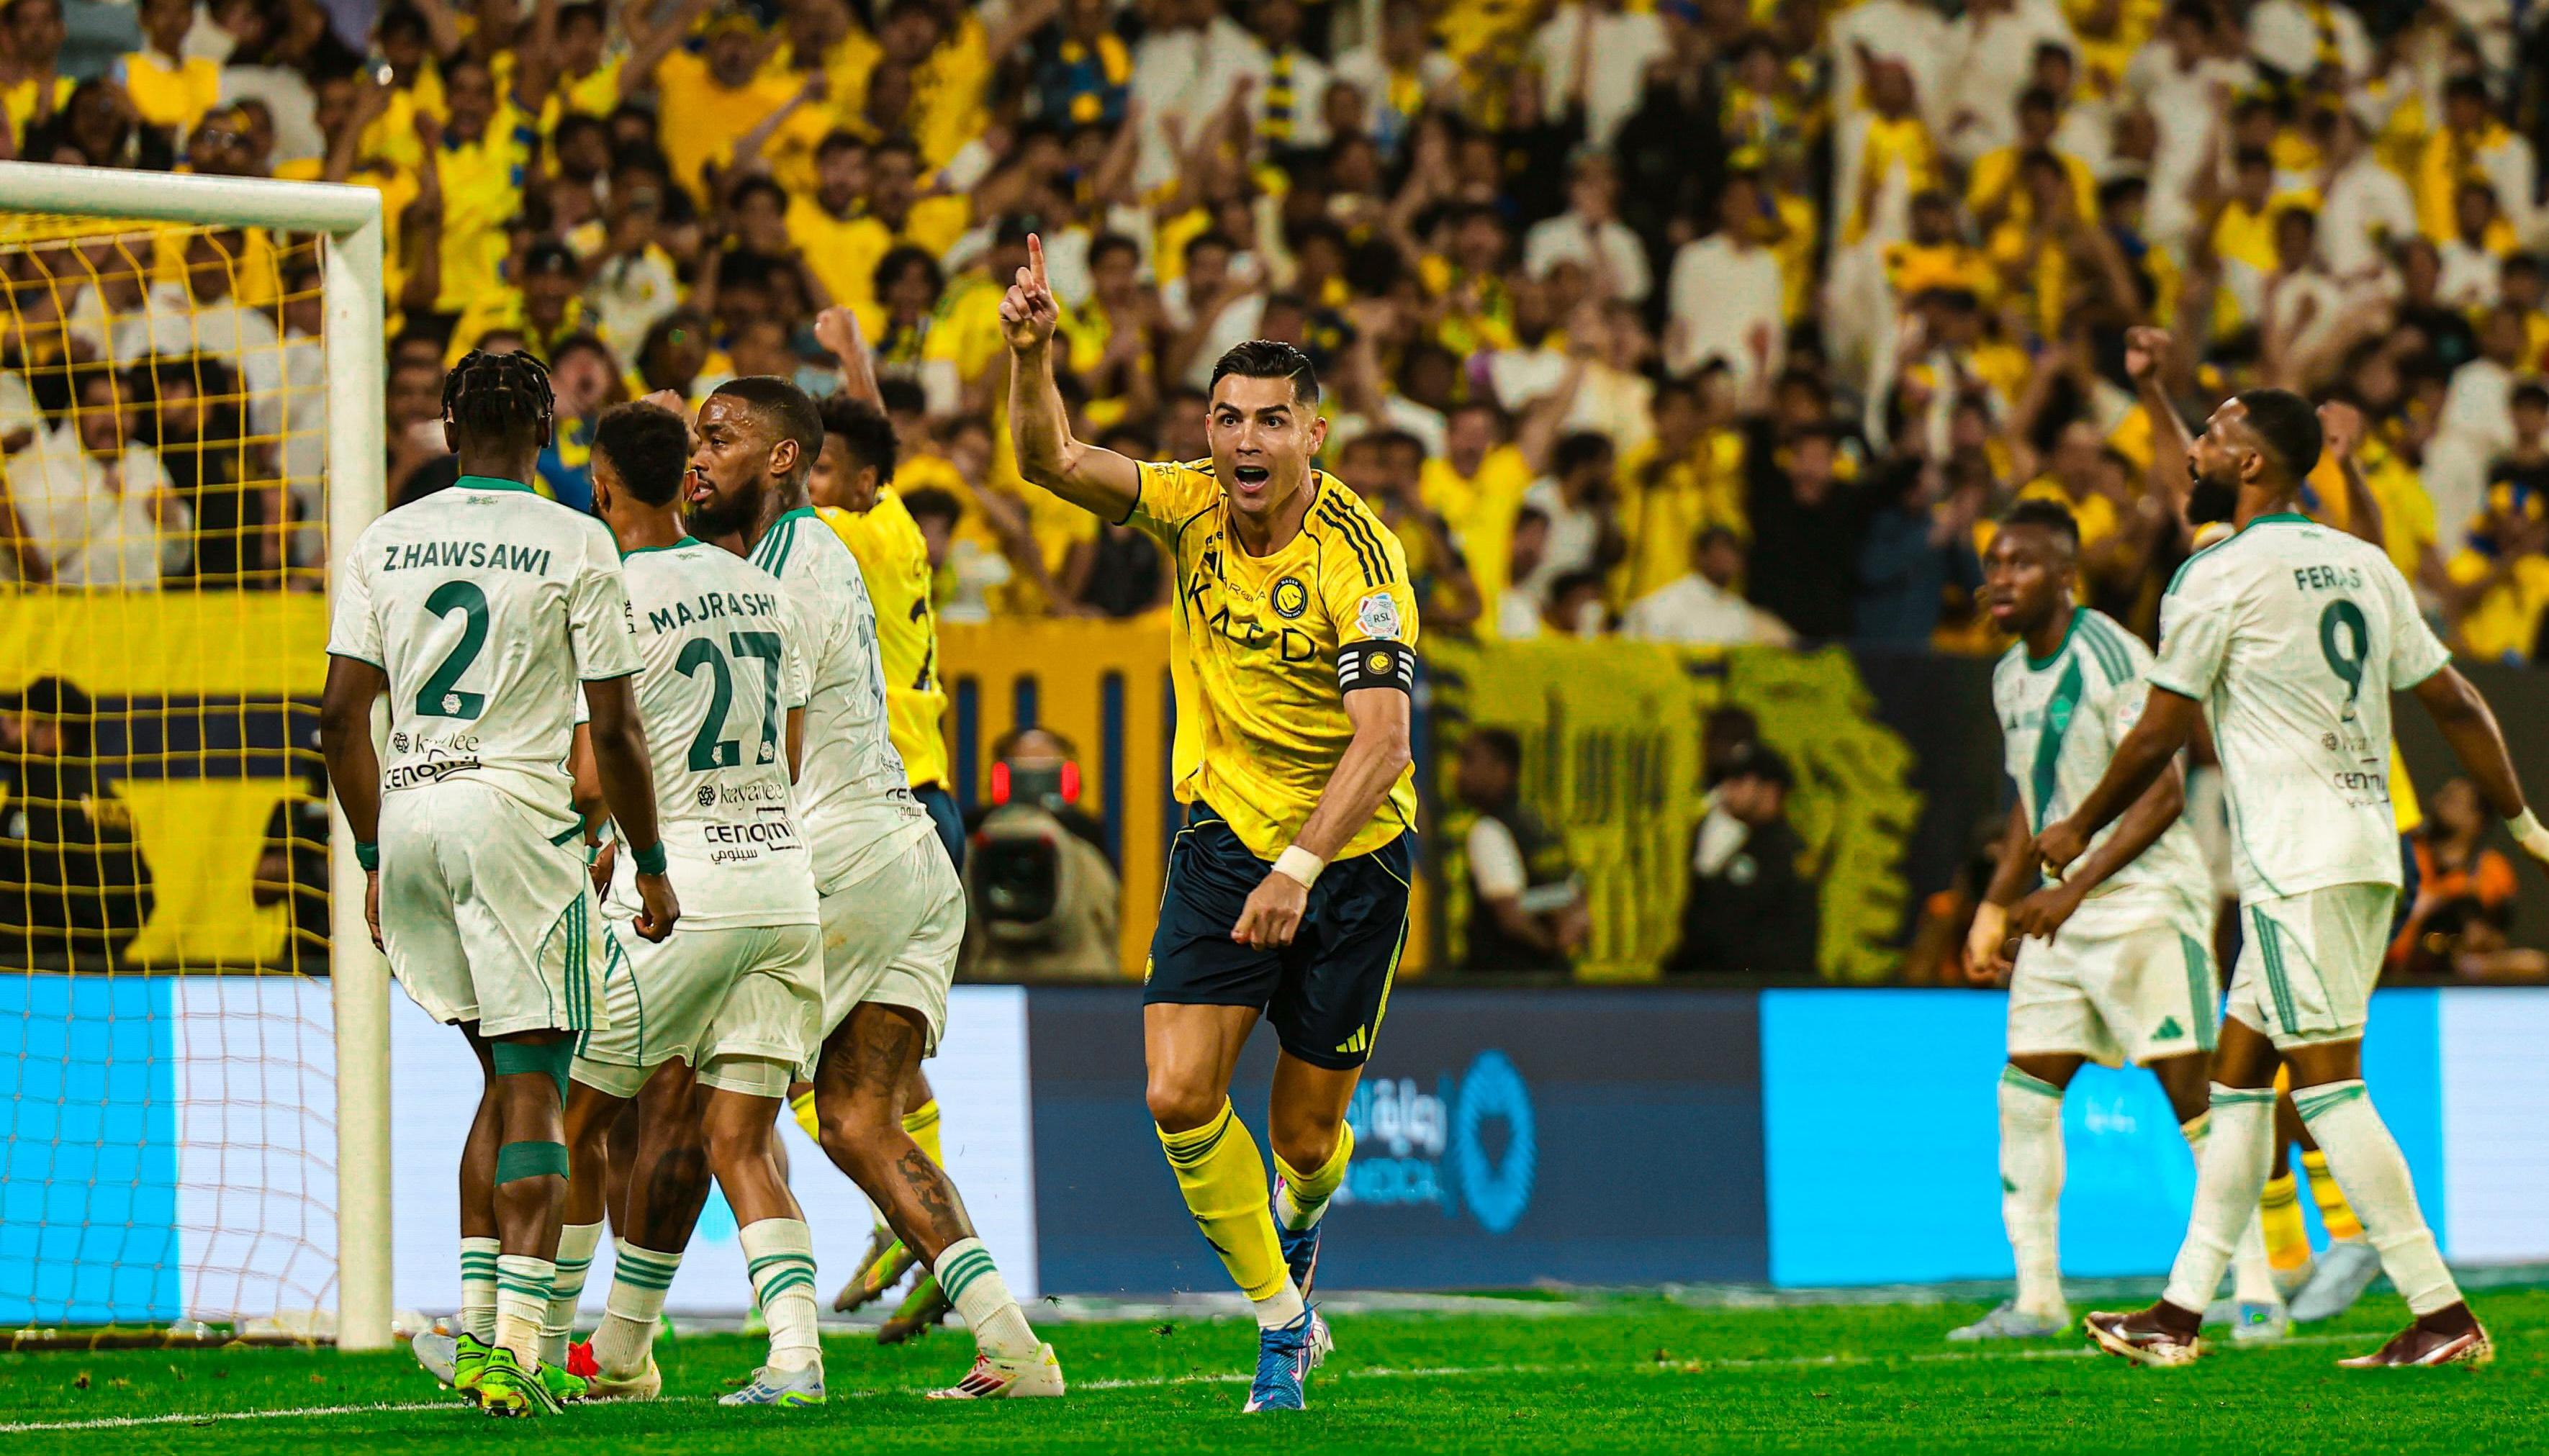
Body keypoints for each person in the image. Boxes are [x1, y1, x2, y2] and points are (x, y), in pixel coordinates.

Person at [2047, 330, 2549, 1369]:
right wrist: (2525, 821)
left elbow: (2154, 731)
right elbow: (2454, 701)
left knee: (2326, 1089)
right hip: (2367, 847)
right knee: (2239, 1089)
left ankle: (2441, 1311)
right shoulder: (2360, 563)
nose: (2194, 450)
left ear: (2253, 464)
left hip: (2293, 863)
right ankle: (2180, 1314)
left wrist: (2078, 820)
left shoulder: (2214, 573)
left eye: (2214, 434)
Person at [1003, 235, 1419, 1413]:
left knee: (1302, 1138)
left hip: (1351, 854)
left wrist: (1301, 863)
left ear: (1313, 435)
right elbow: (1053, 460)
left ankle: (1303, 1219)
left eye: (1272, 420)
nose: (1244, 440)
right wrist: (1033, 357)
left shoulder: (1364, 562)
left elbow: (1383, 740)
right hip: (1224, 837)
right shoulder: (1185, 505)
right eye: (1228, 417)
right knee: (1179, 1094)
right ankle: (1284, 1323)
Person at [662, 373, 1061, 1401]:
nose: (699, 454)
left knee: (717, 1102)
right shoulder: (797, 554)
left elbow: (768, 743)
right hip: (908, 858)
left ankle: (781, 1357)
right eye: (692, 439)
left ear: (783, 458)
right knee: (854, 1118)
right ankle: (1014, 1346)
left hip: (838, 855)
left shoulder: (792, 564)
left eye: (719, 437)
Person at [318, 350, 680, 1416]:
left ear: (443, 425)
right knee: (541, 1087)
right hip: (515, 823)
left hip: (414, 812)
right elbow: (610, 726)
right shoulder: (577, 538)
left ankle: (477, 1329)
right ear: (547, 433)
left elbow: (341, 718)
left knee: (496, 1072)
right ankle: (519, 1345)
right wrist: (651, 866)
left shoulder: (384, 539)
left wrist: (377, 854)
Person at [525, 402, 828, 1404]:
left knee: (574, 1113)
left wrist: (616, 839)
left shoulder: (604, 590)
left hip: (681, 887)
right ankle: (794, 1355)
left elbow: (587, 769)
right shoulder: (759, 588)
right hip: (783, 881)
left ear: (602, 485)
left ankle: (527, 1342)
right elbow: (783, 755)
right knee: (735, 1131)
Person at [1954, 499, 2284, 1344]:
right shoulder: (2006, 678)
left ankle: (2254, 1293)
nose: (1999, 578)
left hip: (2145, 904)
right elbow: (2036, 805)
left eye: (2020, 563)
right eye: (1992, 562)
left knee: (2193, 1099)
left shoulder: (2108, 654)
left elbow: (2165, 792)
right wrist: (1995, 905)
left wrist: (2070, 886)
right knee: (2024, 1091)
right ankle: (2034, 1299)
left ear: (2066, 575)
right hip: (2065, 914)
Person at [804, 313, 967, 1333]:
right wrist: (853, 361)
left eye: (818, 470)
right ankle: (926, 1232)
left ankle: (902, 1218)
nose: (805, 483)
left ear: (853, 484)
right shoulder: (895, 520)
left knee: (792, 1038)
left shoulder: (842, 533)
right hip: (930, 803)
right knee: (891, 1065)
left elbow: (760, 514)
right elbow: (872, 443)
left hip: (877, 807)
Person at [0, 675, 153, 964]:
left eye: (18, 718)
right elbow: (144, 894)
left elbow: (38, 882)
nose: (6, 726)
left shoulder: (38, 792)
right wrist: (103, 950)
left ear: (52, 731)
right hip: (102, 972)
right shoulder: (108, 798)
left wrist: (69, 952)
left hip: (37, 974)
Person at [1663, 742, 1816, 977]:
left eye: (1738, 782)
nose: (1726, 790)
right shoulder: (1724, 842)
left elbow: (1789, 942)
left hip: (1754, 992)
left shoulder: (1788, 853)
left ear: (1770, 790)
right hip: (1712, 991)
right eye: (1724, 781)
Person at [1453, 727, 1586, 975]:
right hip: (1555, 983)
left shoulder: (1488, 830)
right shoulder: (1541, 824)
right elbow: (1577, 898)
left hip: (1505, 985)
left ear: (1501, 770)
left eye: (1469, 761)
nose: (1459, 773)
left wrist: (1550, 949)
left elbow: (1510, 917)